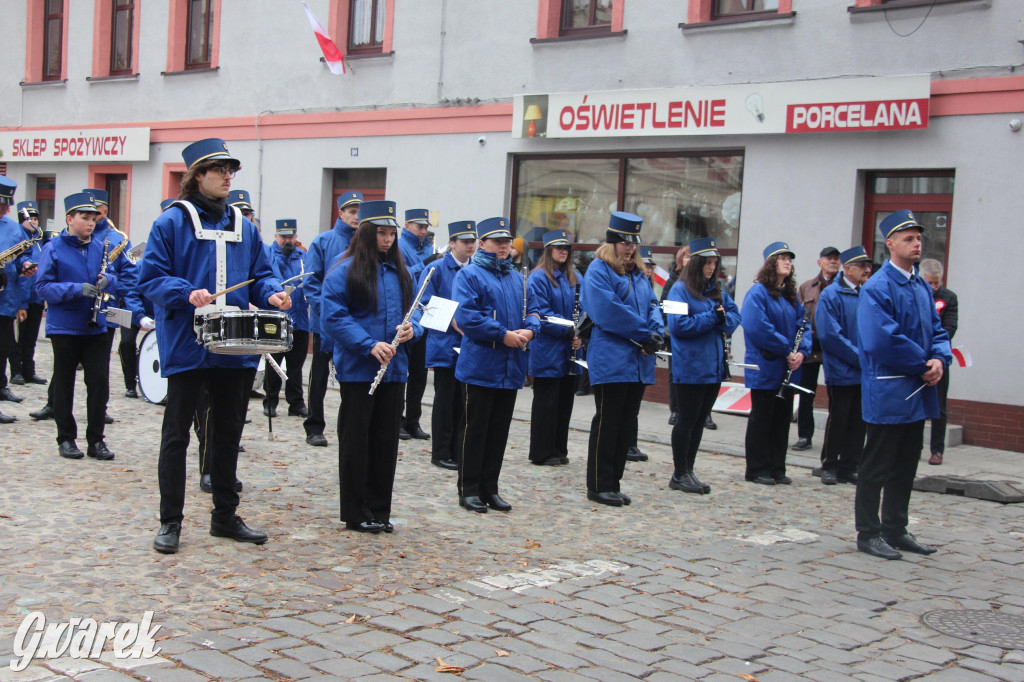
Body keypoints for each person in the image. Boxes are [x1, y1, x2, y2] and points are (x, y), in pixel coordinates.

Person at [138, 138, 290, 555]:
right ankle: (171, 521)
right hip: (188, 344)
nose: (227, 176)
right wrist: (185, 292)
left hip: (235, 344)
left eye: (230, 169)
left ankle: (224, 515)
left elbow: (262, 272)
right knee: (177, 436)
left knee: (227, 433)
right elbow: (149, 278)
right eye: (218, 169)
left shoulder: (244, 224)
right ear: (196, 176)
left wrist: (273, 292)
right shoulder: (170, 223)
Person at [855, 210, 951, 560]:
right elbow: (882, 339)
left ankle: (896, 528)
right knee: (877, 464)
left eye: (918, 238)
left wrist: (940, 358)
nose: (916, 243)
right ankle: (868, 532)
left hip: (918, 390)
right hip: (890, 389)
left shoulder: (921, 286)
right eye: (908, 238)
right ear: (890, 244)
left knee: (906, 463)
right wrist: (921, 363)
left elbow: (937, 331)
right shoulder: (878, 287)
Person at [321, 200, 420, 533]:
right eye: (381, 233)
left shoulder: (401, 270)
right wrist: (367, 344)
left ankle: (379, 508)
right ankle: (355, 511)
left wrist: (412, 329)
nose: (388, 240)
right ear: (365, 234)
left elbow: (415, 310)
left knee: (385, 441)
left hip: (394, 368)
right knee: (357, 441)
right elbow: (333, 316)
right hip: (359, 368)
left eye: (392, 234)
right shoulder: (344, 267)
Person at [452, 217, 539, 513]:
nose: (504, 246)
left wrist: (530, 329)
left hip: (510, 366)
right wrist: (503, 335)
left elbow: (534, 310)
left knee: (498, 431)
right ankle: (469, 489)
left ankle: (491, 487)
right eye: (498, 241)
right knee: (475, 430)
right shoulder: (470, 275)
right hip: (481, 364)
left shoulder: (517, 277)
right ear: (483, 243)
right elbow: (467, 317)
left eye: (507, 241)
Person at [580, 212, 663, 507]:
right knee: (608, 422)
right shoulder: (599, 270)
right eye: (624, 243)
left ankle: (613, 482)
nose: (629, 249)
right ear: (613, 242)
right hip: (612, 357)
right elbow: (608, 309)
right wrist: (643, 334)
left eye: (633, 244)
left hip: (638, 360)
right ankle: (599, 484)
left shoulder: (638, 274)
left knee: (627, 424)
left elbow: (653, 304)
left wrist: (656, 332)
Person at [34, 192, 118, 458]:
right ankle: (66, 438)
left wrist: (108, 281)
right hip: (65, 327)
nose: (91, 223)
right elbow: (42, 288)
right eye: (85, 218)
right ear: (70, 219)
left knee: (98, 384)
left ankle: (96, 440)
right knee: (64, 384)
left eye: (94, 218)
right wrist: (75, 289)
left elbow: (114, 276)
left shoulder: (100, 245)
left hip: (96, 326)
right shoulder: (53, 248)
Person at [665, 237, 740, 494]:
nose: (711, 267)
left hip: (713, 367)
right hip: (690, 367)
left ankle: (689, 470)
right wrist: (712, 317)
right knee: (686, 420)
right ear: (696, 263)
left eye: (714, 262)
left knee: (699, 422)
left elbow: (734, 316)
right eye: (707, 262)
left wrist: (721, 320)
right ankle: (679, 473)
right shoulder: (679, 289)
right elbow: (676, 326)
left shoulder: (716, 289)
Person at [740, 242, 811, 486]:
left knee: (781, 419)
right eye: (782, 258)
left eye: (789, 259)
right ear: (771, 263)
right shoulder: (758, 293)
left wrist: (802, 351)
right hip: (767, 365)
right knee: (762, 418)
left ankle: (777, 467)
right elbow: (758, 327)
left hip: (787, 368)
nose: (787, 262)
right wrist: (786, 349)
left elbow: (804, 325)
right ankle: (757, 468)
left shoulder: (791, 296)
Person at [417, 220, 478, 470]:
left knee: (463, 402)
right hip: (444, 343)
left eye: (473, 241)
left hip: (470, 344)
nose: (470, 246)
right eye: (465, 242)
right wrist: (453, 317)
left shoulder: (477, 268)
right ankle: (441, 452)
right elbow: (423, 302)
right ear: (452, 243)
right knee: (445, 400)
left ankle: (458, 449)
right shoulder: (436, 268)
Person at [303, 191, 362, 447]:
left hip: (355, 323)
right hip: (325, 322)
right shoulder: (323, 241)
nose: (356, 217)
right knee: (319, 375)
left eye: (359, 212)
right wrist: (328, 310)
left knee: (352, 376)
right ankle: (314, 426)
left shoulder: (364, 243)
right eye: (351, 211)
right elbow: (311, 283)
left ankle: (351, 428)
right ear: (341, 213)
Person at [815, 246, 872, 486]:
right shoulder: (832, 295)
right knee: (839, 418)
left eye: (868, 266)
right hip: (842, 369)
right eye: (862, 266)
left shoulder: (868, 293)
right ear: (847, 269)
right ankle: (829, 464)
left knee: (859, 421)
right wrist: (859, 357)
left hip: (865, 370)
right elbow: (830, 335)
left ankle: (851, 465)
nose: (867, 270)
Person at [527, 229, 583, 467]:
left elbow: (585, 309)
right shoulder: (538, 277)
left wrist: (581, 333)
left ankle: (559, 448)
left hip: (570, 348)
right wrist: (569, 329)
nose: (563, 251)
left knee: (564, 404)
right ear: (549, 250)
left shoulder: (575, 276)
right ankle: (541, 451)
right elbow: (541, 314)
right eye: (559, 248)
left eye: (566, 248)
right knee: (546, 405)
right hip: (548, 349)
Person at [792, 246, 841, 452]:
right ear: (819, 262)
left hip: (835, 350)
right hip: (811, 349)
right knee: (806, 394)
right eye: (829, 259)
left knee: (837, 396)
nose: (833, 262)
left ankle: (835, 440)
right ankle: (804, 436)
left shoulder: (844, 286)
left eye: (836, 259)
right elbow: (799, 317)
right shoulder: (806, 287)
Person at [263, 219, 310, 418]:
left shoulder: (303, 256)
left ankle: (296, 403)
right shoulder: (269, 254)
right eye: (283, 237)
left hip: (300, 319)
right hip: (276, 319)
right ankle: (270, 401)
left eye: (291, 237)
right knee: (274, 362)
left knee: (296, 364)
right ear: (276, 236)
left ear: (296, 236)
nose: (287, 241)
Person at [0, 177, 38, 421]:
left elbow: (22, 257)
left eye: (7, 204)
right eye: (2, 204)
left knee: (2, 349)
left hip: (5, 300)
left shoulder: (13, 228)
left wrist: (25, 266)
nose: (7, 209)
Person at [397, 208, 432, 440]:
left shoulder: (429, 246)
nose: (423, 230)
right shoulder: (399, 247)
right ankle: (398, 420)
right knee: (401, 372)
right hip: (404, 312)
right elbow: (401, 274)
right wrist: (425, 265)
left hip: (425, 313)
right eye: (419, 226)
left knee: (419, 373)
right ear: (407, 225)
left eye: (426, 227)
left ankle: (414, 421)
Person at [919, 258, 958, 466]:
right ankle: (914, 446)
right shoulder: (915, 294)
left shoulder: (949, 298)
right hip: (917, 357)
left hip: (939, 357)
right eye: (930, 282)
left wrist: (936, 348)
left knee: (939, 406)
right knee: (915, 403)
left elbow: (949, 327)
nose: (933, 287)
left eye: (937, 283)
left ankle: (937, 450)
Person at [10, 201, 47, 387]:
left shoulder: (39, 241)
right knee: (18, 337)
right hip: (21, 297)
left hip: (36, 296)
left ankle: (29, 370)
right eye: (30, 219)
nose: (34, 222)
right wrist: (21, 303)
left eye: (35, 218)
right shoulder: (19, 239)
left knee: (31, 337)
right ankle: (16, 371)